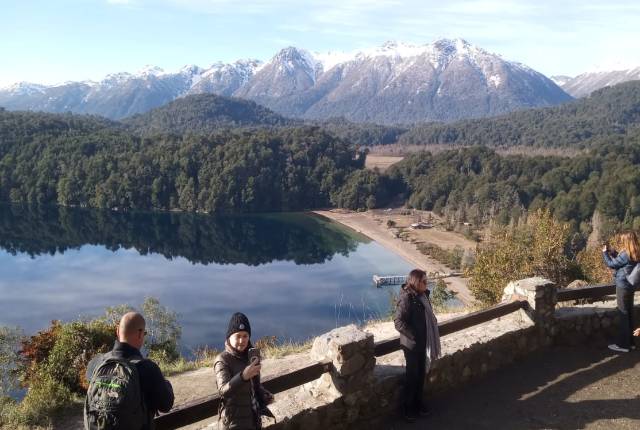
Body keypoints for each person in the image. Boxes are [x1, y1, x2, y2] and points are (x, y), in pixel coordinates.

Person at [85, 312, 174, 430]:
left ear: (117, 331)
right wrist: (166, 384)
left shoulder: (96, 363)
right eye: (144, 334)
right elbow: (166, 405)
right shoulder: (147, 368)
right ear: (140, 334)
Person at [394, 269, 441, 423]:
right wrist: (414, 336)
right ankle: (408, 407)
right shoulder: (407, 298)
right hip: (412, 345)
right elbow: (398, 322)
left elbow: (427, 316)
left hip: (423, 343)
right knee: (412, 376)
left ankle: (418, 402)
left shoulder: (423, 295)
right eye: (424, 281)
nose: (427, 284)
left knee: (421, 374)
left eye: (427, 281)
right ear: (416, 282)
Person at [214, 312, 273, 430]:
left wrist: (264, 394)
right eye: (238, 336)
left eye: (245, 336)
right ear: (229, 337)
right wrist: (242, 377)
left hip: (253, 419)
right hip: (234, 423)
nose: (242, 340)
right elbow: (223, 391)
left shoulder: (249, 356)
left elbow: (254, 385)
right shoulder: (222, 360)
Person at [602, 231, 640, 353]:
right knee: (629, 314)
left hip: (622, 286)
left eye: (622, 240)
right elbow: (623, 261)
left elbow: (611, 264)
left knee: (623, 314)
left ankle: (623, 345)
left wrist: (605, 253)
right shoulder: (636, 252)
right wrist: (613, 252)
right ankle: (631, 343)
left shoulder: (626, 254)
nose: (621, 241)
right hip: (631, 286)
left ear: (626, 241)